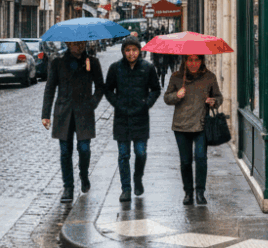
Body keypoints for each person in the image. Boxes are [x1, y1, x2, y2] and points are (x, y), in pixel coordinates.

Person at [41, 40, 105, 203]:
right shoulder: (58, 63)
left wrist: (93, 103)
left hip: (84, 112)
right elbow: (50, 88)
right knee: (65, 152)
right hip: (64, 112)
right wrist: (46, 114)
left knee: (84, 149)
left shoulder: (92, 62)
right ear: (68, 44)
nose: (79, 46)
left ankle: (84, 175)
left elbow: (100, 87)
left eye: (82, 43)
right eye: (75, 44)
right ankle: (68, 187)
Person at [105, 37, 161, 202]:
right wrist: (117, 104)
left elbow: (155, 89)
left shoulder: (147, 68)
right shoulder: (115, 68)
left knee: (140, 152)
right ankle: (126, 188)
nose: (131, 53)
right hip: (122, 118)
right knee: (123, 155)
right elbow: (108, 90)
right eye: (128, 50)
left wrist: (146, 104)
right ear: (123, 51)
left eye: (134, 50)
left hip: (140, 117)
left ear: (139, 51)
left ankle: (138, 177)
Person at [163, 54, 222, 205]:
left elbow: (218, 97)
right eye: (190, 60)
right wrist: (176, 95)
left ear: (201, 61)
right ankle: (188, 192)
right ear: (185, 61)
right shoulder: (177, 77)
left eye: (196, 60)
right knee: (185, 161)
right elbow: (167, 98)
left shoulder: (210, 77)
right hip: (181, 126)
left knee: (201, 158)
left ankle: (200, 192)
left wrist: (213, 101)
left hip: (201, 124)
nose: (193, 63)